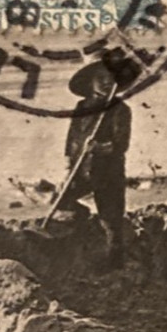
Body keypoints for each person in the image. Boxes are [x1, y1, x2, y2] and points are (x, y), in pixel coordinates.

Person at [55, 56, 137, 264]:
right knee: (61, 198)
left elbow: (121, 145)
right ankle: (81, 222)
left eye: (111, 77)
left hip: (109, 171)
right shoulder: (82, 107)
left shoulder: (120, 109)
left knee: (111, 219)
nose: (107, 81)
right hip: (81, 168)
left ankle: (114, 262)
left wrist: (100, 147)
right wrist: (67, 164)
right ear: (90, 82)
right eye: (101, 77)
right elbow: (72, 137)